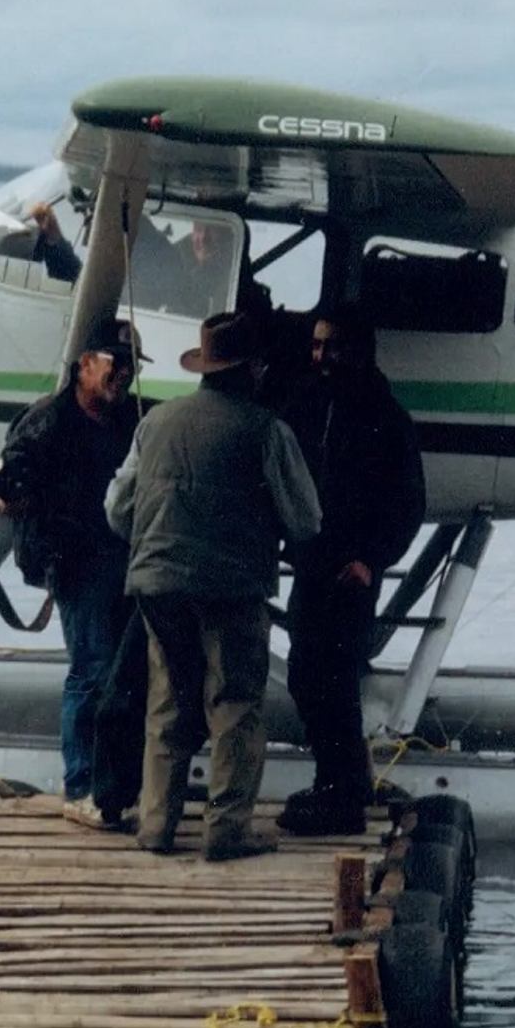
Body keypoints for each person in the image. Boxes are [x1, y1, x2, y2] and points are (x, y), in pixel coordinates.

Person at [105, 311, 322, 860]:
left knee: (169, 704)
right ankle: (226, 833)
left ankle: (156, 827)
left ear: (204, 367)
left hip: (154, 583)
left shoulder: (154, 422)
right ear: (253, 369)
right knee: (233, 706)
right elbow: (305, 520)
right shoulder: (267, 429)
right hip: (232, 587)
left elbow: (116, 510)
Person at [277, 311, 426, 836]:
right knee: (305, 675)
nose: (320, 358)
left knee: (333, 682)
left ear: (360, 351)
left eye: (331, 348)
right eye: (316, 347)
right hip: (311, 565)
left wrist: (372, 559)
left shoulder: (387, 417)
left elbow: (409, 504)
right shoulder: (305, 404)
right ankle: (341, 780)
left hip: (351, 573)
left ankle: (340, 796)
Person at [0, 318, 139, 822]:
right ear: (84, 366)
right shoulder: (45, 423)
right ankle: (80, 787)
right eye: (115, 364)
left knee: (120, 673)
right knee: (91, 669)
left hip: (118, 556)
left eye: (131, 366)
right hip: (75, 561)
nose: (124, 374)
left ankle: (115, 785)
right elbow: (12, 474)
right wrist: (10, 492)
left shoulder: (129, 421)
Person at [28, 200, 82, 283]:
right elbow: (36, 259)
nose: (53, 219)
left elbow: (67, 254)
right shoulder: (42, 238)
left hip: (72, 273)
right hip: (60, 278)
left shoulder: (53, 233)